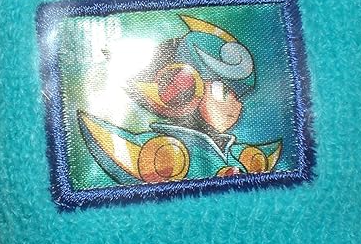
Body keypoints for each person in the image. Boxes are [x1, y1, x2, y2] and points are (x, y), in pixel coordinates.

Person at [78, 15, 281, 184]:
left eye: (238, 95)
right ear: (184, 91)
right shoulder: (166, 151)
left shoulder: (235, 152)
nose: (237, 105)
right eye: (222, 91)